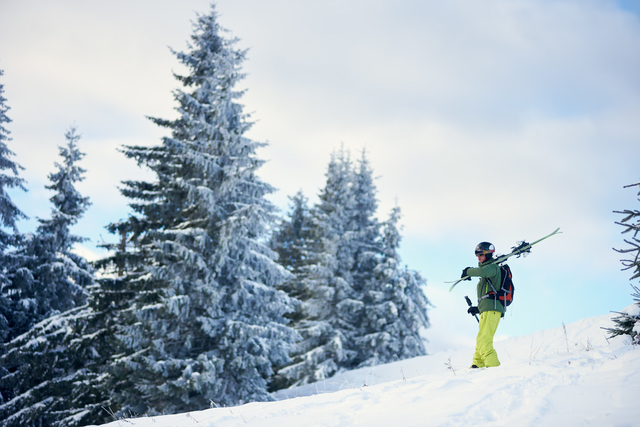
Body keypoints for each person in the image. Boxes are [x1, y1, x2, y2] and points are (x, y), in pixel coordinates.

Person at [461, 241, 505, 368]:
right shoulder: (485, 272)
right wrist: (478, 308)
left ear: (488, 253)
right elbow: (487, 294)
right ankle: (477, 364)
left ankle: (494, 368)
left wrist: (468, 271)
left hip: (493, 308)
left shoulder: (493, 267)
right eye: (476, 254)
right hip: (487, 309)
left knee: (485, 340)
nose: (478, 257)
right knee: (480, 339)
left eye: (480, 254)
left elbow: (483, 272)